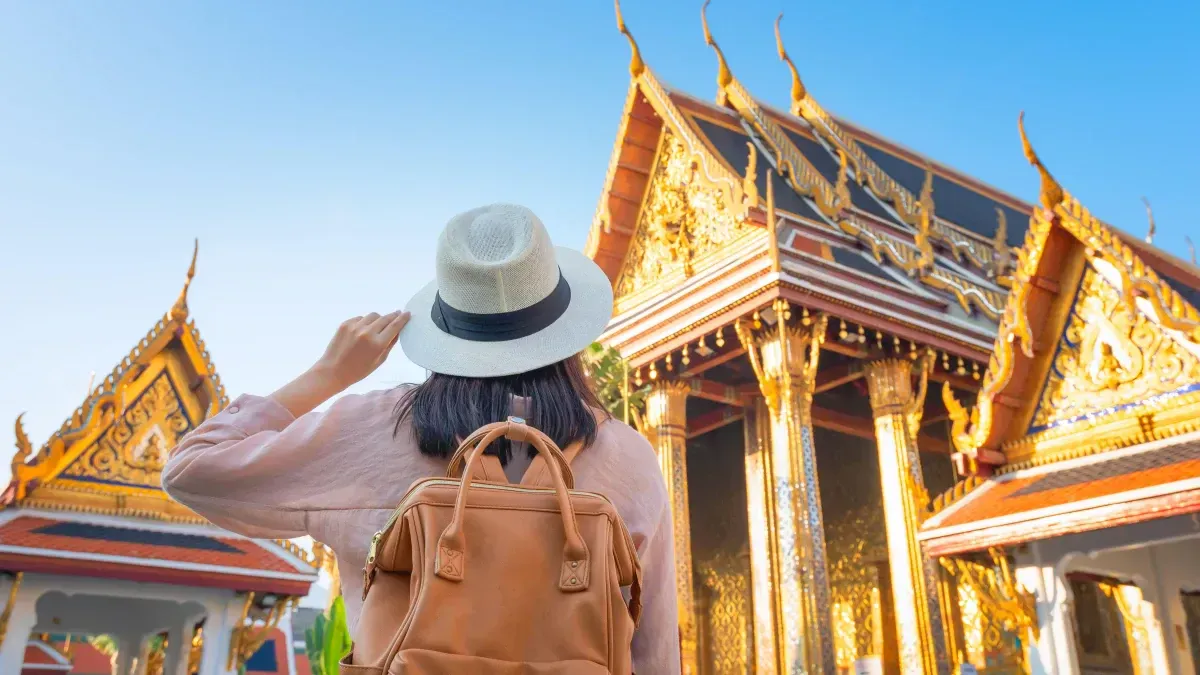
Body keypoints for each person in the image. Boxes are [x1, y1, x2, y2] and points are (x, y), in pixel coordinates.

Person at [162, 204, 682, 674]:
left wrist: (326, 375)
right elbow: (655, 648)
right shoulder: (628, 457)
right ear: (563, 328)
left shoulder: (372, 430)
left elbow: (192, 471)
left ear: (448, 325)